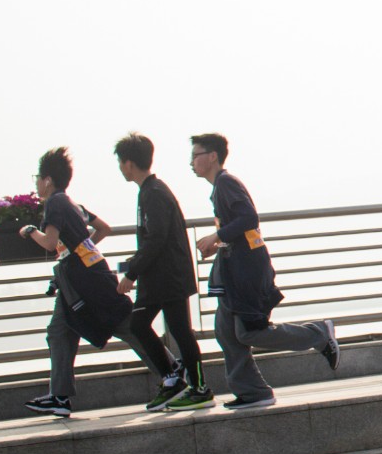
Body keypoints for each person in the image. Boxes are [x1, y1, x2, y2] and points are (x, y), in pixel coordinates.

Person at [189, 133, 341, 408]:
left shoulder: (226, 183)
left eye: (195, 155)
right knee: (226, 332)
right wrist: (220, 242)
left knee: (249, 332)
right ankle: (253, 392)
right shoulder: (220, 186)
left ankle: (319, 334)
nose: (191, 162)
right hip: (232, 271)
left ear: (212, 156)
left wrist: (217, 236)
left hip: (245, 273)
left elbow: (249, 217)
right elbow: (240, 227)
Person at [19, 147, 134, 418]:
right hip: (79, 275)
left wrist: (30, 230)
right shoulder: (72, 204)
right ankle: (59, 397)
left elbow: (49, 242)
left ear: (48, 180)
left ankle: (172, 371)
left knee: (125, 325)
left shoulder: (55, 203)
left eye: (38, 177)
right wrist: (80, 248)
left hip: (83, 279)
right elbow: (104, 228)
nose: (36, 183)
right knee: (60, 331)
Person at [113, 133, 213, 411]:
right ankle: (180, 382)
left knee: (155, 328)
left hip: (166, 277)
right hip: (164, 276)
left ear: (129, 163)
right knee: (171, 329)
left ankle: (193, 386)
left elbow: (156, 238)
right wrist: (134, 265)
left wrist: (131, 273)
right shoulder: (151, 190)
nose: (120, 168)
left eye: (121, 163)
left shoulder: (154, 193)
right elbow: (154, 238)